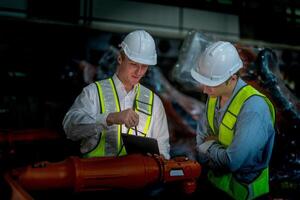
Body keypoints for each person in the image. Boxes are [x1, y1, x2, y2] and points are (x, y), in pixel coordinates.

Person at [63, 30, 170, 159]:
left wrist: (161, 158)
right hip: (96, 175)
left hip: (136, 178)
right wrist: (109, 118)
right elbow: (70, 128)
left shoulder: (155, 103)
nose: (139, 72)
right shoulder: (93, 92)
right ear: (120, 58)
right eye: (133, 64)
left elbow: (163, 149)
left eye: (144, 66)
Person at [190, 41, 276, 199]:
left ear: (233, 78)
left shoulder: (254, 108)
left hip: (244, 193)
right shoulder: (214, 95)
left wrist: (210, 144)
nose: (204, 89)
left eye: (211, 84)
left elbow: (233, 162)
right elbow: (200, 142)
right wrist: (215, 148)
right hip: (216, 183)